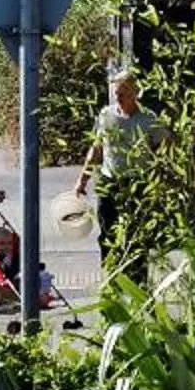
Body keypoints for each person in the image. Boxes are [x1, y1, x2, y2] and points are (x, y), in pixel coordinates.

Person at [78, 68, 160, 281]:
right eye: (115, 92)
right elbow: (96, 149)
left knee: (137, 235)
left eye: (123, 92)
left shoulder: (148, 119)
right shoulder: (106, 115)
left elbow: (165, 148)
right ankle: (112, 278)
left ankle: (138, 281)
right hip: (109, 181)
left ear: (135, 93)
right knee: (108, 233)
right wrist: (82, 180)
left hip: (137, 183)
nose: (118, 96)